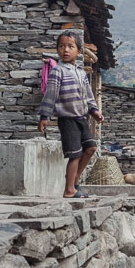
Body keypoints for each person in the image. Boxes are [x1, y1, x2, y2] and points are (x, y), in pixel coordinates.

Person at [37, 31, 104, 198]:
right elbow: (50, 95)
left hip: (81, 119)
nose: (65, 50)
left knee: (90, 148)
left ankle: (75, 180)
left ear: (79, 51)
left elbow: (89, 95)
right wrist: (44, 116)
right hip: (67, 120)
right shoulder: (58, 71)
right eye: (61, 46)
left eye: (70, 46)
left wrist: (94, 111)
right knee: (75, 154)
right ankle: (69, 190)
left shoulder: (81, 73)